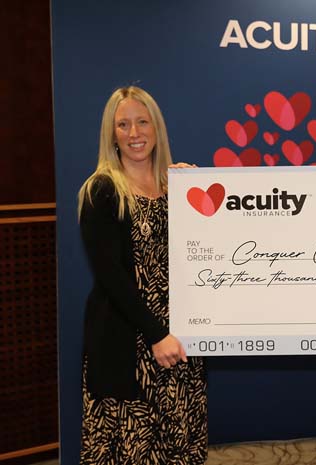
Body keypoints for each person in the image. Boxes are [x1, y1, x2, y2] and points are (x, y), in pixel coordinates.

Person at [77, 86, 207, 464]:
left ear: (156, 128)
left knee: (179, 445)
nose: (134, 133)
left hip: (179, 342)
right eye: (123, 124)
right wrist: (156, 334)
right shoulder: (101, 191)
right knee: (132, 451)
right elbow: (110, 276)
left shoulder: (176, 188)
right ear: (111, 134)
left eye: (141, 122)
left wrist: (192, 189)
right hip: (130, 345)